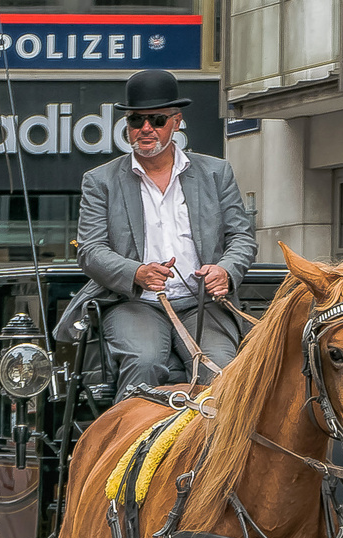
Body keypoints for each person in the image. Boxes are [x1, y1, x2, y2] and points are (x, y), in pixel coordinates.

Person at [64, 69, 257, 397]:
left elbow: (241, 237)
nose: (146, 129)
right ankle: (131, 446)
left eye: (156, 120)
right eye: (136, 121)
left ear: (176, 121)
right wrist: (136, 272)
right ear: (127, 126)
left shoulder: (216, 172)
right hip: (134, 302)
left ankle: (216, 448)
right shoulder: (100, 181)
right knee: (145, 361)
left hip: (203, 304)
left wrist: (225, 269)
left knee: (222, 371)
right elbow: (90, 250)